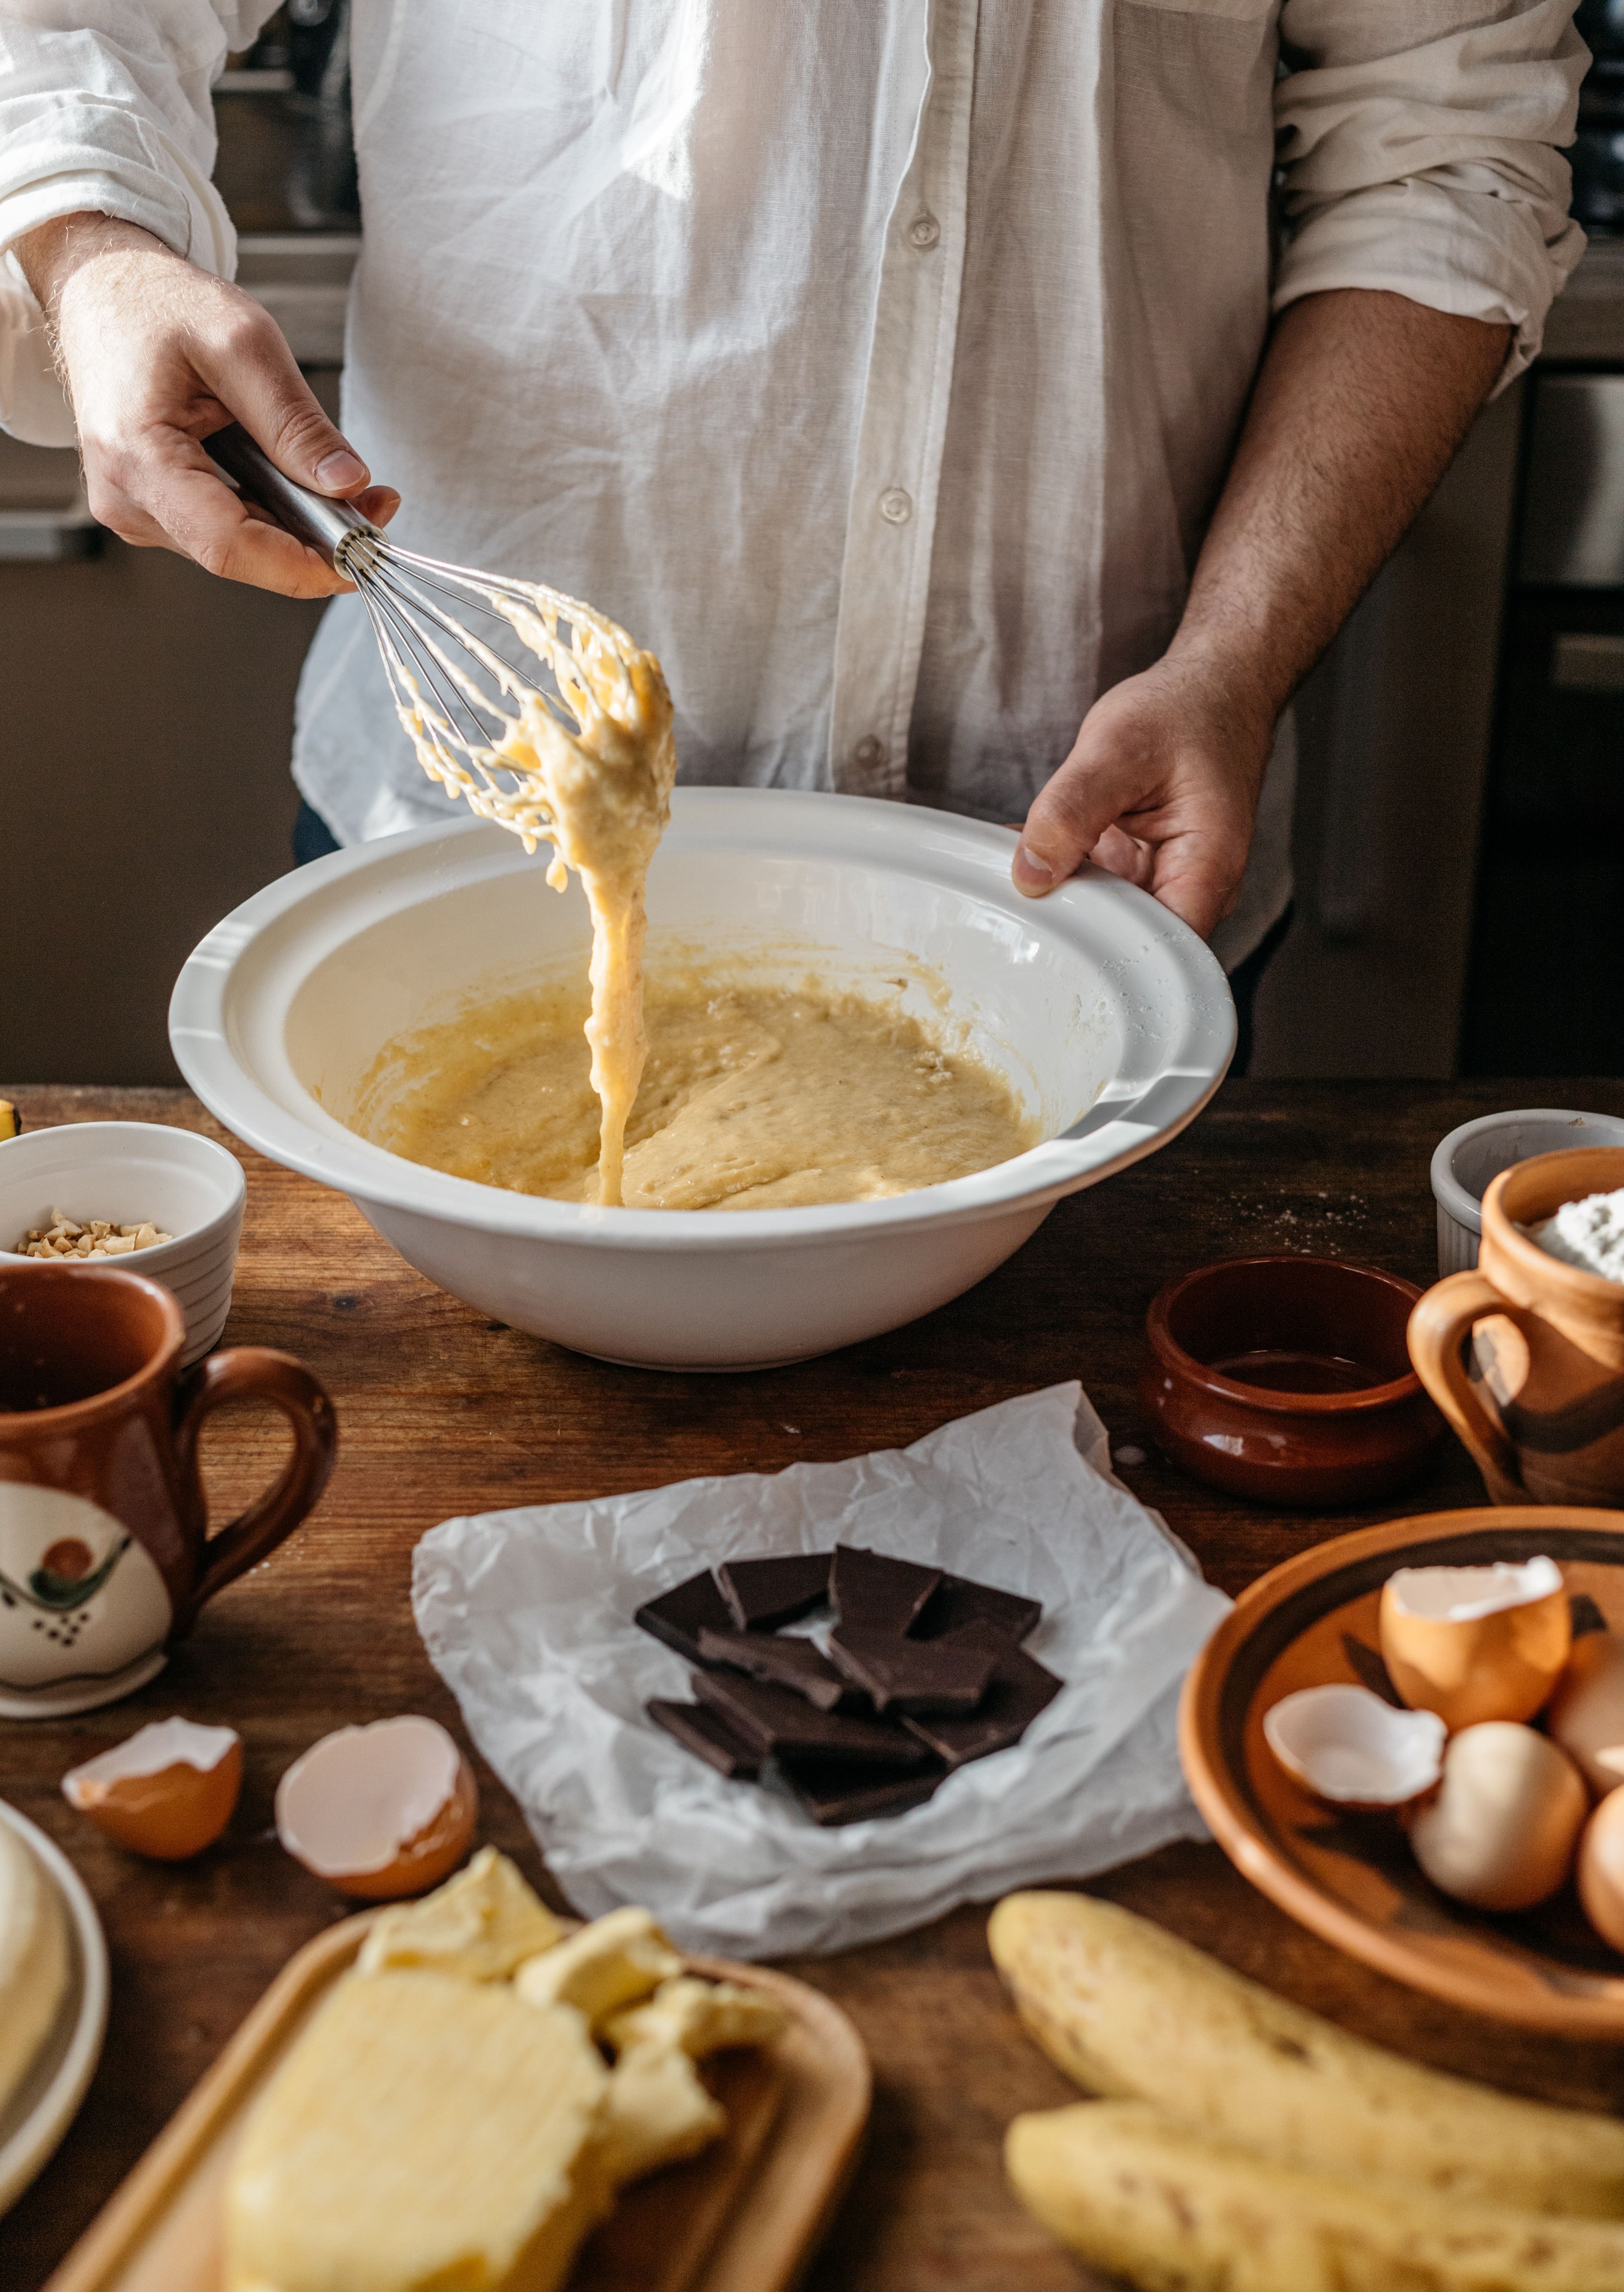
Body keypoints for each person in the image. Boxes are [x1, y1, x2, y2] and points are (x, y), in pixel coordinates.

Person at [0, 1, 1585, 1065]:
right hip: (467, 832)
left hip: (1088, 852)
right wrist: (91, 242)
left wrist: (1234, 662)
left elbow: (1446, 140)